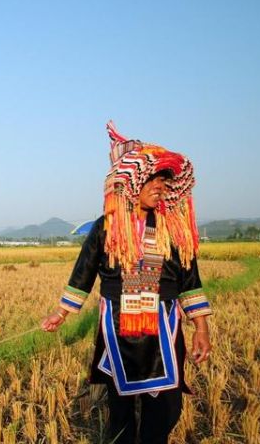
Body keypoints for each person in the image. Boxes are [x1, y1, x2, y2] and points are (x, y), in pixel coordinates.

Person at [41, 121, 212, 444]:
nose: (161, 185)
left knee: (167, 406)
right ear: (133, 182)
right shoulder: (106, 226)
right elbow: (84, 272)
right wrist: (61, 314)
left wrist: (201, 327)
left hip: (164, 325)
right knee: (120, 410)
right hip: (117, 326)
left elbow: (190, 277)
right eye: (155, 178)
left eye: (165, 180)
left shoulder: (170, 227)